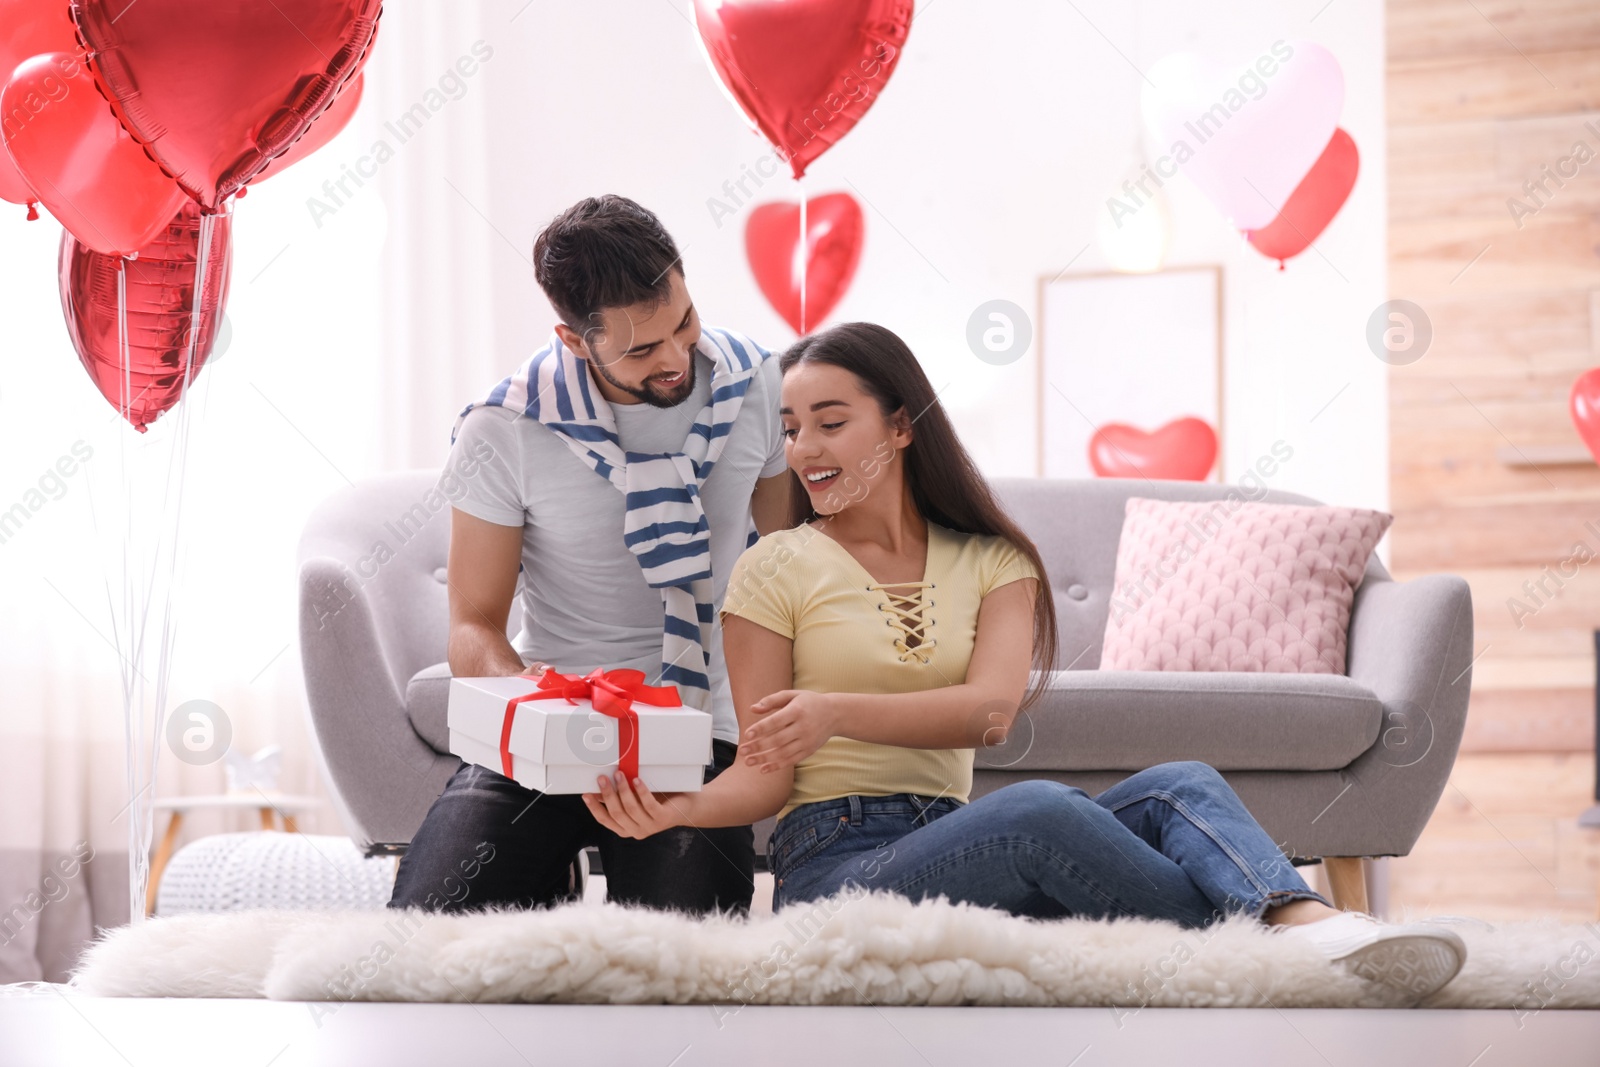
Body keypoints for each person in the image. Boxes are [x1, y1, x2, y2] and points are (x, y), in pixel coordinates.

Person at [583, 320, 1470, 1005]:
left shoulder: (990, 559)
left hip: (951, 836)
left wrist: (832, 709)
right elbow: (765, 779)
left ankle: (1301, 920)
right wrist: (677, 811)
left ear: (898, 427)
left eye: (829, 421)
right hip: (836, 867)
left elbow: (989, 711)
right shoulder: (771, 566)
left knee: (1180, 783)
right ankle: (1297, 938)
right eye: (789, 429)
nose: (804, 449)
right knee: (1042, 809)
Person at [388, 195, 792, 917]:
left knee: (682, 956)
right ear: (575, 341)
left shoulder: (756, 382)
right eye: (641, 349)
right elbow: (473, 624)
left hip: (700, 723)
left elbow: (796, 563)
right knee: (426, 927)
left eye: (685, 323)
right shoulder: (506, 426)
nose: (675, 359)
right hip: (554, 726)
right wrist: (538, 704)